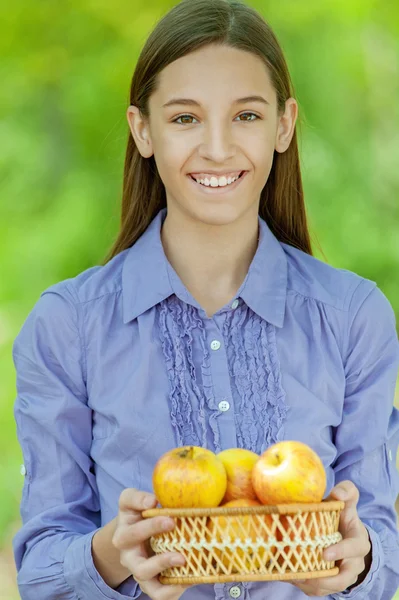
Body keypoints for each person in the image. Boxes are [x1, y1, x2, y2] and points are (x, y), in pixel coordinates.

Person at [11, 0, 399, 598]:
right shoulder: (67, 326)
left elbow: (383, 545)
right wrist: (115, 552)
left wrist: (358, 563)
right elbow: (39, 566)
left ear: (284, 125)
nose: (217, 148)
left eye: (246, 115)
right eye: (185, 118)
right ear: (143, 130)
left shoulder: (353, 317)